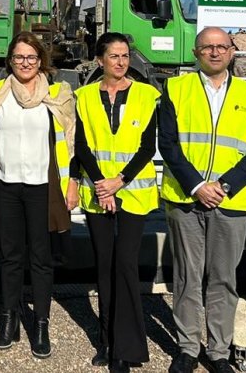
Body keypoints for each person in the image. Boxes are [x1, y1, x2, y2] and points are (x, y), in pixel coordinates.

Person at [159, 28, 246, 373]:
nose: (215, 52)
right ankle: (188, 348)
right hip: (185, 199)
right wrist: (196, 185)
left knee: (223, 278)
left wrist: (225, 185)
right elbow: (169, 144)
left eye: (222, 46)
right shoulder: (176, 88)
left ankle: (219, 351)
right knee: (187, 278)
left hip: (230, 201)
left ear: (232, 52)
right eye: (208, 47)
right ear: (196, 52)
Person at [0, 30, 76, 359]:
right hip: (6, 185)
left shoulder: (58, 95)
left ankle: (42, 323)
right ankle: (9, 320)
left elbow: (73, 143)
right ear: (10, 61)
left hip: (43, 188)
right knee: (10, 257)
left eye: (31, 57)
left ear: (41, 61)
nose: (25, 63)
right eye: (19, 57)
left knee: (42, 259)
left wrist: (72, 183)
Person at [72, 32, 161, 372]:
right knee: (104, 268)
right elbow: (82, 147)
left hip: (132, 194)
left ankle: (127, 348)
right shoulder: (83, 97)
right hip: (97, 196)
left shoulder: (146, 95)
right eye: (114, 56)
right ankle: (106, 342)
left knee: (124, 265)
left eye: (125, 56)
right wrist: (100, 185)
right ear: (100, 60)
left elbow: (146, 148)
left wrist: (118, 183)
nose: (121, 62)